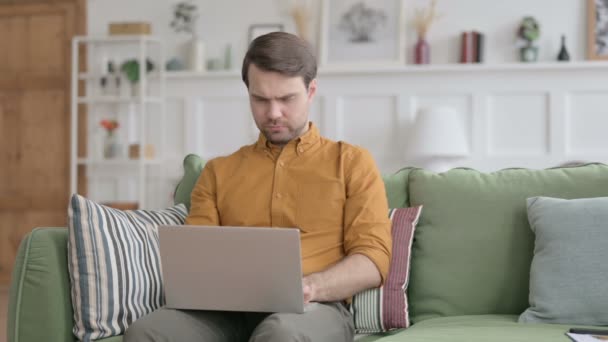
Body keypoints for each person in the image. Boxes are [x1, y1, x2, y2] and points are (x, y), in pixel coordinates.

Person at [125, 32, 391, 342]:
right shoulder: (217, 172)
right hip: (223, 315)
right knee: (147, 332)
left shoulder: (352, 162)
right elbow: (196, 261)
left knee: (280, 333)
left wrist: (312, 286)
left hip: (314, 311)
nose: (273, 112)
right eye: (260, 99)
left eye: (286, 98)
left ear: (311, 91)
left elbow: (373, 259)